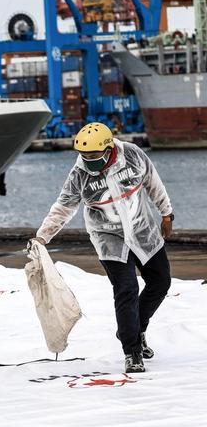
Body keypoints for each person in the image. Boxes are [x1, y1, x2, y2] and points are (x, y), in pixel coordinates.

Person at [32, 122, 174, 373]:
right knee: (126, 289)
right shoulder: (79, 174)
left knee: (161, 281)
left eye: (94, 156)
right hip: (109, 238)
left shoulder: (132, 155)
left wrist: (166, 213)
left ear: (108, 149)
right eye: (84, 156)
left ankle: (135, 328)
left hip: (143, 231)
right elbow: (63, 208)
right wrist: (43, 237)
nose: (88, 160)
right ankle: (132, 351)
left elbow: (153, 182)